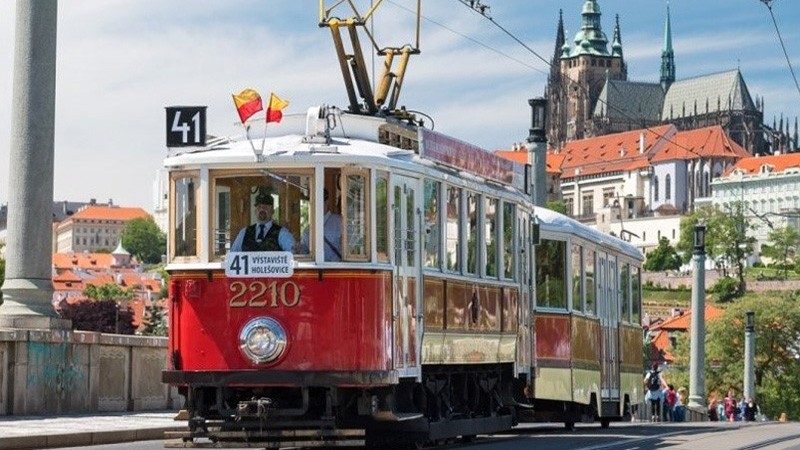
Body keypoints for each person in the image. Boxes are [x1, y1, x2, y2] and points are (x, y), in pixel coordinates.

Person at [231, 192, 295, 252]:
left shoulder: (282, 233)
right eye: (259, 207)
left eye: (266, 207)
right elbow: (232, 255)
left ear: (272, 211)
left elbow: (293, 254)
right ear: (255, 211)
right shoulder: (244, 232)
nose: (262, 209)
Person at [300, 189, 343, 261]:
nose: (315, 205)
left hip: (337, 270)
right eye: (313, 203)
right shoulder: (308, 230)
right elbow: (303, 252)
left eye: (319, 202)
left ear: (327, 202)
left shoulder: (340, 222)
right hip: (316, 270)